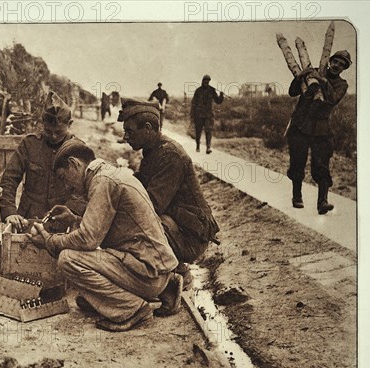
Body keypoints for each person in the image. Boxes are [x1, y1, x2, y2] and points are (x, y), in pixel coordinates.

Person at [28, 139, 180, 331]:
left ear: (74, 164)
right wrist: (73, 219)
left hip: (148, 273)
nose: (66, 186)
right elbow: (104, 228)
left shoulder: (102, 182)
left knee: (67, 259)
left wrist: (50, 241)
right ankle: (166, 289)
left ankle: (132, 309)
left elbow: (88, 239)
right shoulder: (109, 174)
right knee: (87, 290)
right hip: (154, 267)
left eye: (64, 177)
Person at [118, 98, 220, 302]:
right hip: (179, 227)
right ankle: (167, 271)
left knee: (133, 228)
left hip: (190, 238)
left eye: (130, 131)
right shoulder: (153, 150)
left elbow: (150, 206)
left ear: (147, 128)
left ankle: (176, 274)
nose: (125, 137)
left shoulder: (169, 155)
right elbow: (140, 185)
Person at [0, 91, 85, 232]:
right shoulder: (29, 144)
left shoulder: (79, 149)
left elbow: (84, 191)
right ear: (43, 123)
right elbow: (9, 179)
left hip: (63, 223)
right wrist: (9, 212)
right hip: (28, 220)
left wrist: (68, 213)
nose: (53, 136)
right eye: (48, 130)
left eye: (58, 132)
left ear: (70, 124)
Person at [286, 50, 351, 214]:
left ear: (344, 69)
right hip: (301, 125)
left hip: (321, 129)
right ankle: (297, 197)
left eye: (342, 65)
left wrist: (323, 81)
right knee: (297, 162)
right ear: (330, 61)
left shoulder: (342, 84)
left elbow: (332, 99)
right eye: (336, 62)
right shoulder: (312, 72)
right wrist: (300, 75)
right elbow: (293, 92)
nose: (337, 66)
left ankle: (323, 202)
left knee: (321, 166)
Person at [190, 75, 224, 154]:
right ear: (202, 81)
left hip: (208, 115)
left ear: (209, 81)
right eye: (205, 80)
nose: (206, 82)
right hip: (199, 115)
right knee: (198, 131)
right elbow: (193, 104)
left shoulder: (212, 90)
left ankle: (208, 147)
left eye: (208, 81)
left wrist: (221, 95)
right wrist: (192, 115)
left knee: (208, 130)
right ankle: (198, 145)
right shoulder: (198, 91)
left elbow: (218, 101)